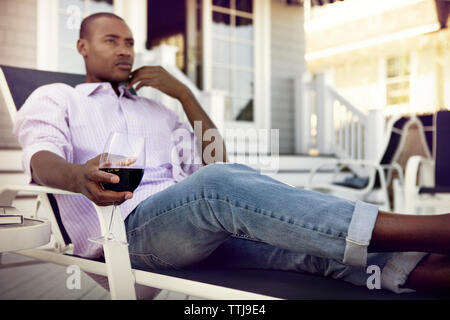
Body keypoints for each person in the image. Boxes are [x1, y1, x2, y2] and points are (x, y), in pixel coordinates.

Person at [13, 12, 450, 295]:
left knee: (305, 249)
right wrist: (79, 178)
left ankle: (428, 271)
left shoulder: (156, 109)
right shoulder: (59, 97)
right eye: (112, 40)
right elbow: (41, 158)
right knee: (219, 188)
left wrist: (184, 95)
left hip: (195, 227)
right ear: (83, 47)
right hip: (124, 236)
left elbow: (213, 159)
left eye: (129, 42)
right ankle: (433, 229)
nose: (125, 50)